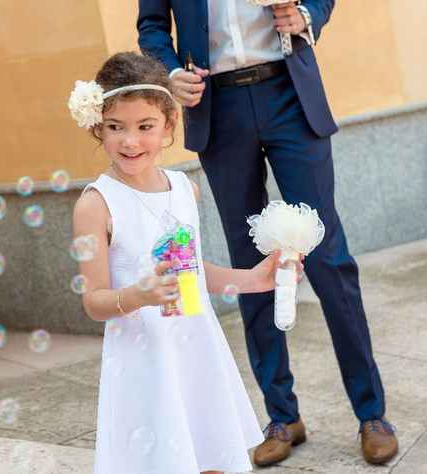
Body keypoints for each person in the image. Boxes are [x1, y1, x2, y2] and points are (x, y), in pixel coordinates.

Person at [137, 0, 398, 467]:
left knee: (328, 258)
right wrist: (169, 69)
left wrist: (307, 15)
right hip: (218, 106)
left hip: (290, 94)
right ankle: (281, 417)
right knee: (248, 264)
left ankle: (371, 414)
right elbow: (153, 24)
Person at [71, 51, 300, 474]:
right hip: (144, 357)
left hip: (195, 345)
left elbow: (190, 271)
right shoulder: (96, 204)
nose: (130, 141)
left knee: (209, 452)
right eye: (115, 127)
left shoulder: (183, 188)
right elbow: (94, 300)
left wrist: (252, 279)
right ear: (97, 127)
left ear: (168, 126)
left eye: (145, 126)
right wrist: (139, 295)